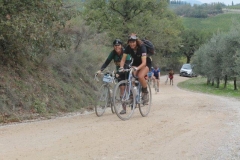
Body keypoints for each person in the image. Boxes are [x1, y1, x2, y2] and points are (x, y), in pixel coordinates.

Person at [96, 39, 132, 112]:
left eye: (118, 45)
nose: (117, 47)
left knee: (128, 87)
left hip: (127, 70)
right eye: (115, 45)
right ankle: (124, 109)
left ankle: (132, 96)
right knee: (122, 88)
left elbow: (127, 65)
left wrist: (119, 72)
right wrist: (100, 70)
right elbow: (107, 62)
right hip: (119, 71)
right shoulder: (113, 53)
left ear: (121, 46)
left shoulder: (125, 53)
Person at [119, 33, 152, 112]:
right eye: (130, 42)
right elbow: (123, 60)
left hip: (146, 63)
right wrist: (121, 67)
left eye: (133, 42)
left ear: (136, 41)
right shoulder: (128, 48)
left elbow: (144, 63)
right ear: (128, 42)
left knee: (140, 76)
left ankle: (145, 91)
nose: (132, 44)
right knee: (131, 77)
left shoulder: (142, 47)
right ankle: (132, 94)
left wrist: (137, 68)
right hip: (135, 63)